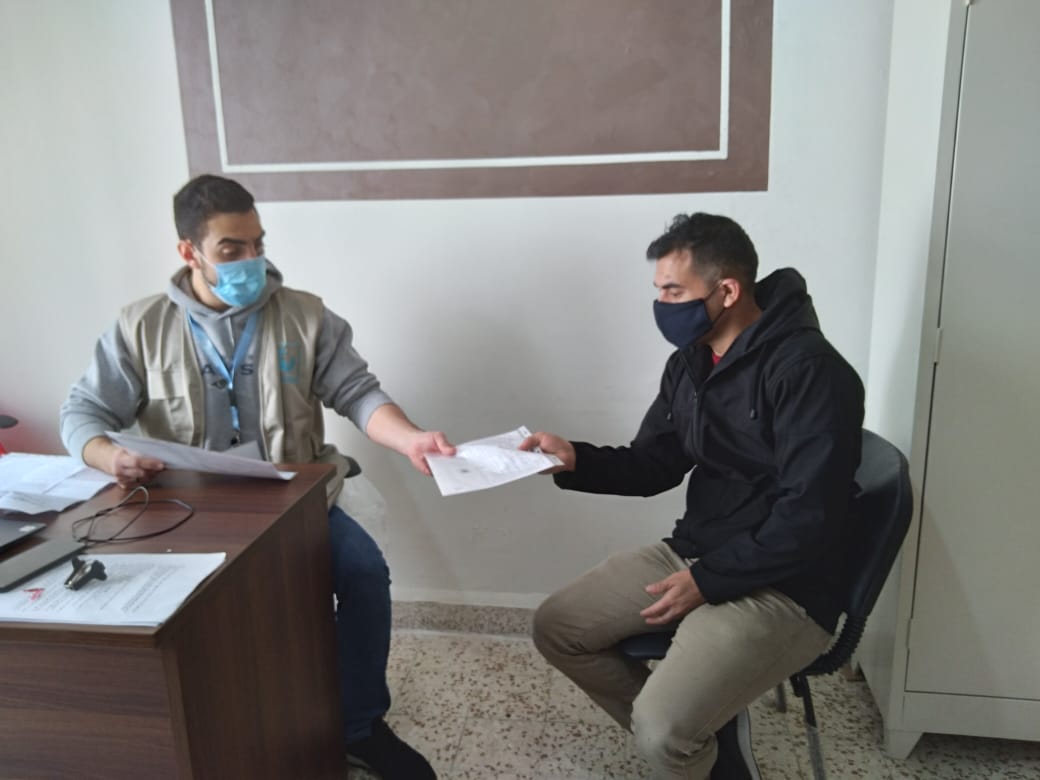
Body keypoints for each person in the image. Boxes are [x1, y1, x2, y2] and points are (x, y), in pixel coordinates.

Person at [60, 174, 454, 780]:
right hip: (186, 509)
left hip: (294, 501)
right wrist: (108, 456)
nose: (251, 260)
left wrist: (409, 439)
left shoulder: (305, 316)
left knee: (364, 572)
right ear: (189, 251)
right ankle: (213, 729)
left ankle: (358, 727)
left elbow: (358, 393)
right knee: (182, 612)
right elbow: (82, 413)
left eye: (257, 244)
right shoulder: (140, 326)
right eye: (231, 249)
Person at [521, 212, 864, 780]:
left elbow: (809, 517)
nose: (661, 304)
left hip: (787, 587)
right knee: (558, 627)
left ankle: (680, 737)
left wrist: (709, 580)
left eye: (674, 291)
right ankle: (702, 739)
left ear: (727, 290)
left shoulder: (811, 371)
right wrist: (575, 457)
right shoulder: (690, 363)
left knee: (663, 731)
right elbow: (654, 464)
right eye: (658, 290)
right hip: (698, 552)